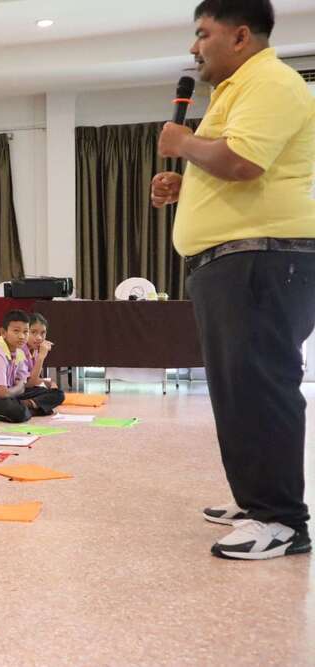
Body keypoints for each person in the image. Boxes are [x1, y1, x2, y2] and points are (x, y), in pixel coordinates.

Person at [151, 0, 315, 560]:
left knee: (260, 386)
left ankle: (282, 520)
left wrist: (182, 144)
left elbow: (244, 161)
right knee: (236, 390)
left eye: (203, 33)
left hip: (262, 258)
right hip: (238, 260)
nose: (194, 47)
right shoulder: (235, 90)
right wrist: (187, 184)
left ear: (241, 36)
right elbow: (235, 167)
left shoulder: (271, 81)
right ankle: (255, 501)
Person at [0, 310, 62, 423]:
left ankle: (28, 407)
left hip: (10, 393)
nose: (22, 336)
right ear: (3, 332)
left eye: (25, 332)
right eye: (16, 331)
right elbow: (2, 393)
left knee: (57, 394)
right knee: (17, 412)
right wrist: (19, 387)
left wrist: (20, 387)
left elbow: (25, 383)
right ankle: (33, 408)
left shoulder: (17, 351)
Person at [24, 313, 64, 397]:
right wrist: (41, 357)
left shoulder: (34, 350)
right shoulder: (20, 350)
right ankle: (27, 403)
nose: (39, 338)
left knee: (57, 393)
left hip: (27, 387)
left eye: (43, 333)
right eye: (33, 332)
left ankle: (30, 403)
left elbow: (32, 378)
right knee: (56, 394)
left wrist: (48, 383)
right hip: (16, 391)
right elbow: (29, 383)